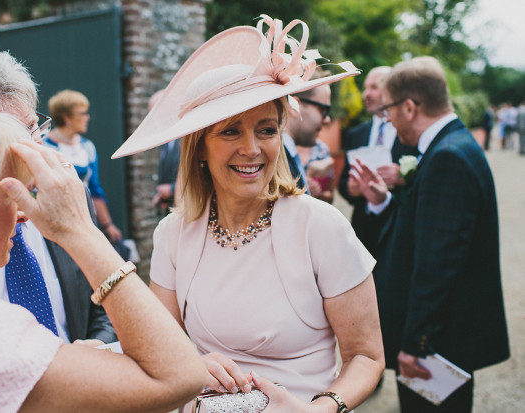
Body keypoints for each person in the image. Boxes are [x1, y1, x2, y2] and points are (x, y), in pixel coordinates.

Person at [112, 15, 384, 412]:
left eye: (266, 130)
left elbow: (366, 355)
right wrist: (191, 364)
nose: (252, 149)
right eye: (230, 131)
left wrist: (322, 409)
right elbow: (160, 347)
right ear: (200, 148)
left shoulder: (321, 227)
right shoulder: (173, 233)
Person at [0, 55, 207, 412]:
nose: (23, 208)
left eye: (35, 131)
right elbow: (181, 376)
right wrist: (82, 233)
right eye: (6, 186)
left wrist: (90, 361)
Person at [351, 56, 510, 413]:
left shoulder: (446, 159)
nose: (387, 118)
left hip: (438, 342)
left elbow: (437, 263)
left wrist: (416, 343)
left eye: (389, 109)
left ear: (409, 106)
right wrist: (385, 201)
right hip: (442, 334)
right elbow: (428, 226)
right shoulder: (455, 144)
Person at [0, 50, 117, 344]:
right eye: (11, 135)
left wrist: (96, 349)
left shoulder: (70, 195)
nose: (34, 146)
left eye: (32, 127)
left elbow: (103, 301)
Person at [338, 66, 418, 253]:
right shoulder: (356, 134)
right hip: (363, 228)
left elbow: (427, 175)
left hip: (400, 225)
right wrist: (350, 188)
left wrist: (403, 176)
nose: (367, 94)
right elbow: (342, 182)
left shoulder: (412, 131)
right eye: (366, 88)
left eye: (374, 87)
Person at [44, 89, 124, 245]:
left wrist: (108, 225)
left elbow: (95, 188)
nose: (87, 117)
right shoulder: (46, 146)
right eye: (82, 113)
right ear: (67, 117)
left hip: (86, 216)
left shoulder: (87, 147)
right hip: (57, 219)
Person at [285, 81, 335, 203]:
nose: (327, 120)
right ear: (294, 106)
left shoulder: (287, 153)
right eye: (323, 110)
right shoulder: (277, 158)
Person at [150, 89, 181, 214]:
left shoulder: (185, 138)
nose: (152, 120)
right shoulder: (166, 141)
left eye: (155, 114)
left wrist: (171, 189)